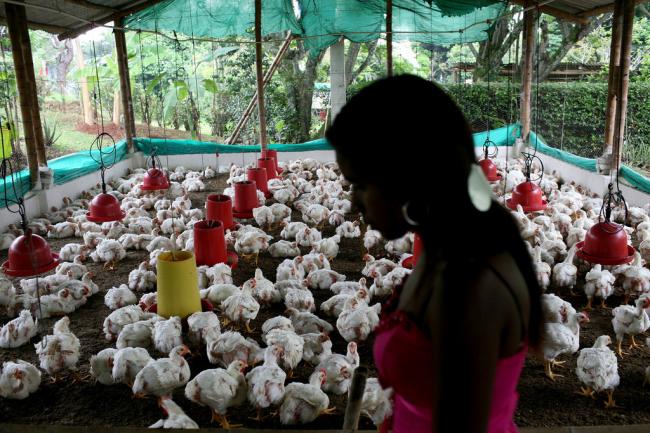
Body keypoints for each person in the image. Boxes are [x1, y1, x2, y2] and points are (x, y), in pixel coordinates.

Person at [326, 74, 542, 433]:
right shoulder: (445, 251)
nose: (354, 202)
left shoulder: (471, 286)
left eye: (361, 185)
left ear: (406, 176)